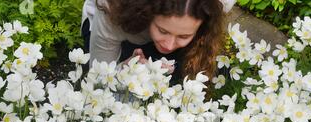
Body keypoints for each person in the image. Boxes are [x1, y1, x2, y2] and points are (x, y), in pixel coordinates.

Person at [81, 0, 235, 84]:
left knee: (195, 77)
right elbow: (99, 77)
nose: (168, 45)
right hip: (127, 25)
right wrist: (123, 68)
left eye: (183, 36)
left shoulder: (219, 3)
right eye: (163, 30)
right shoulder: (113, 10)